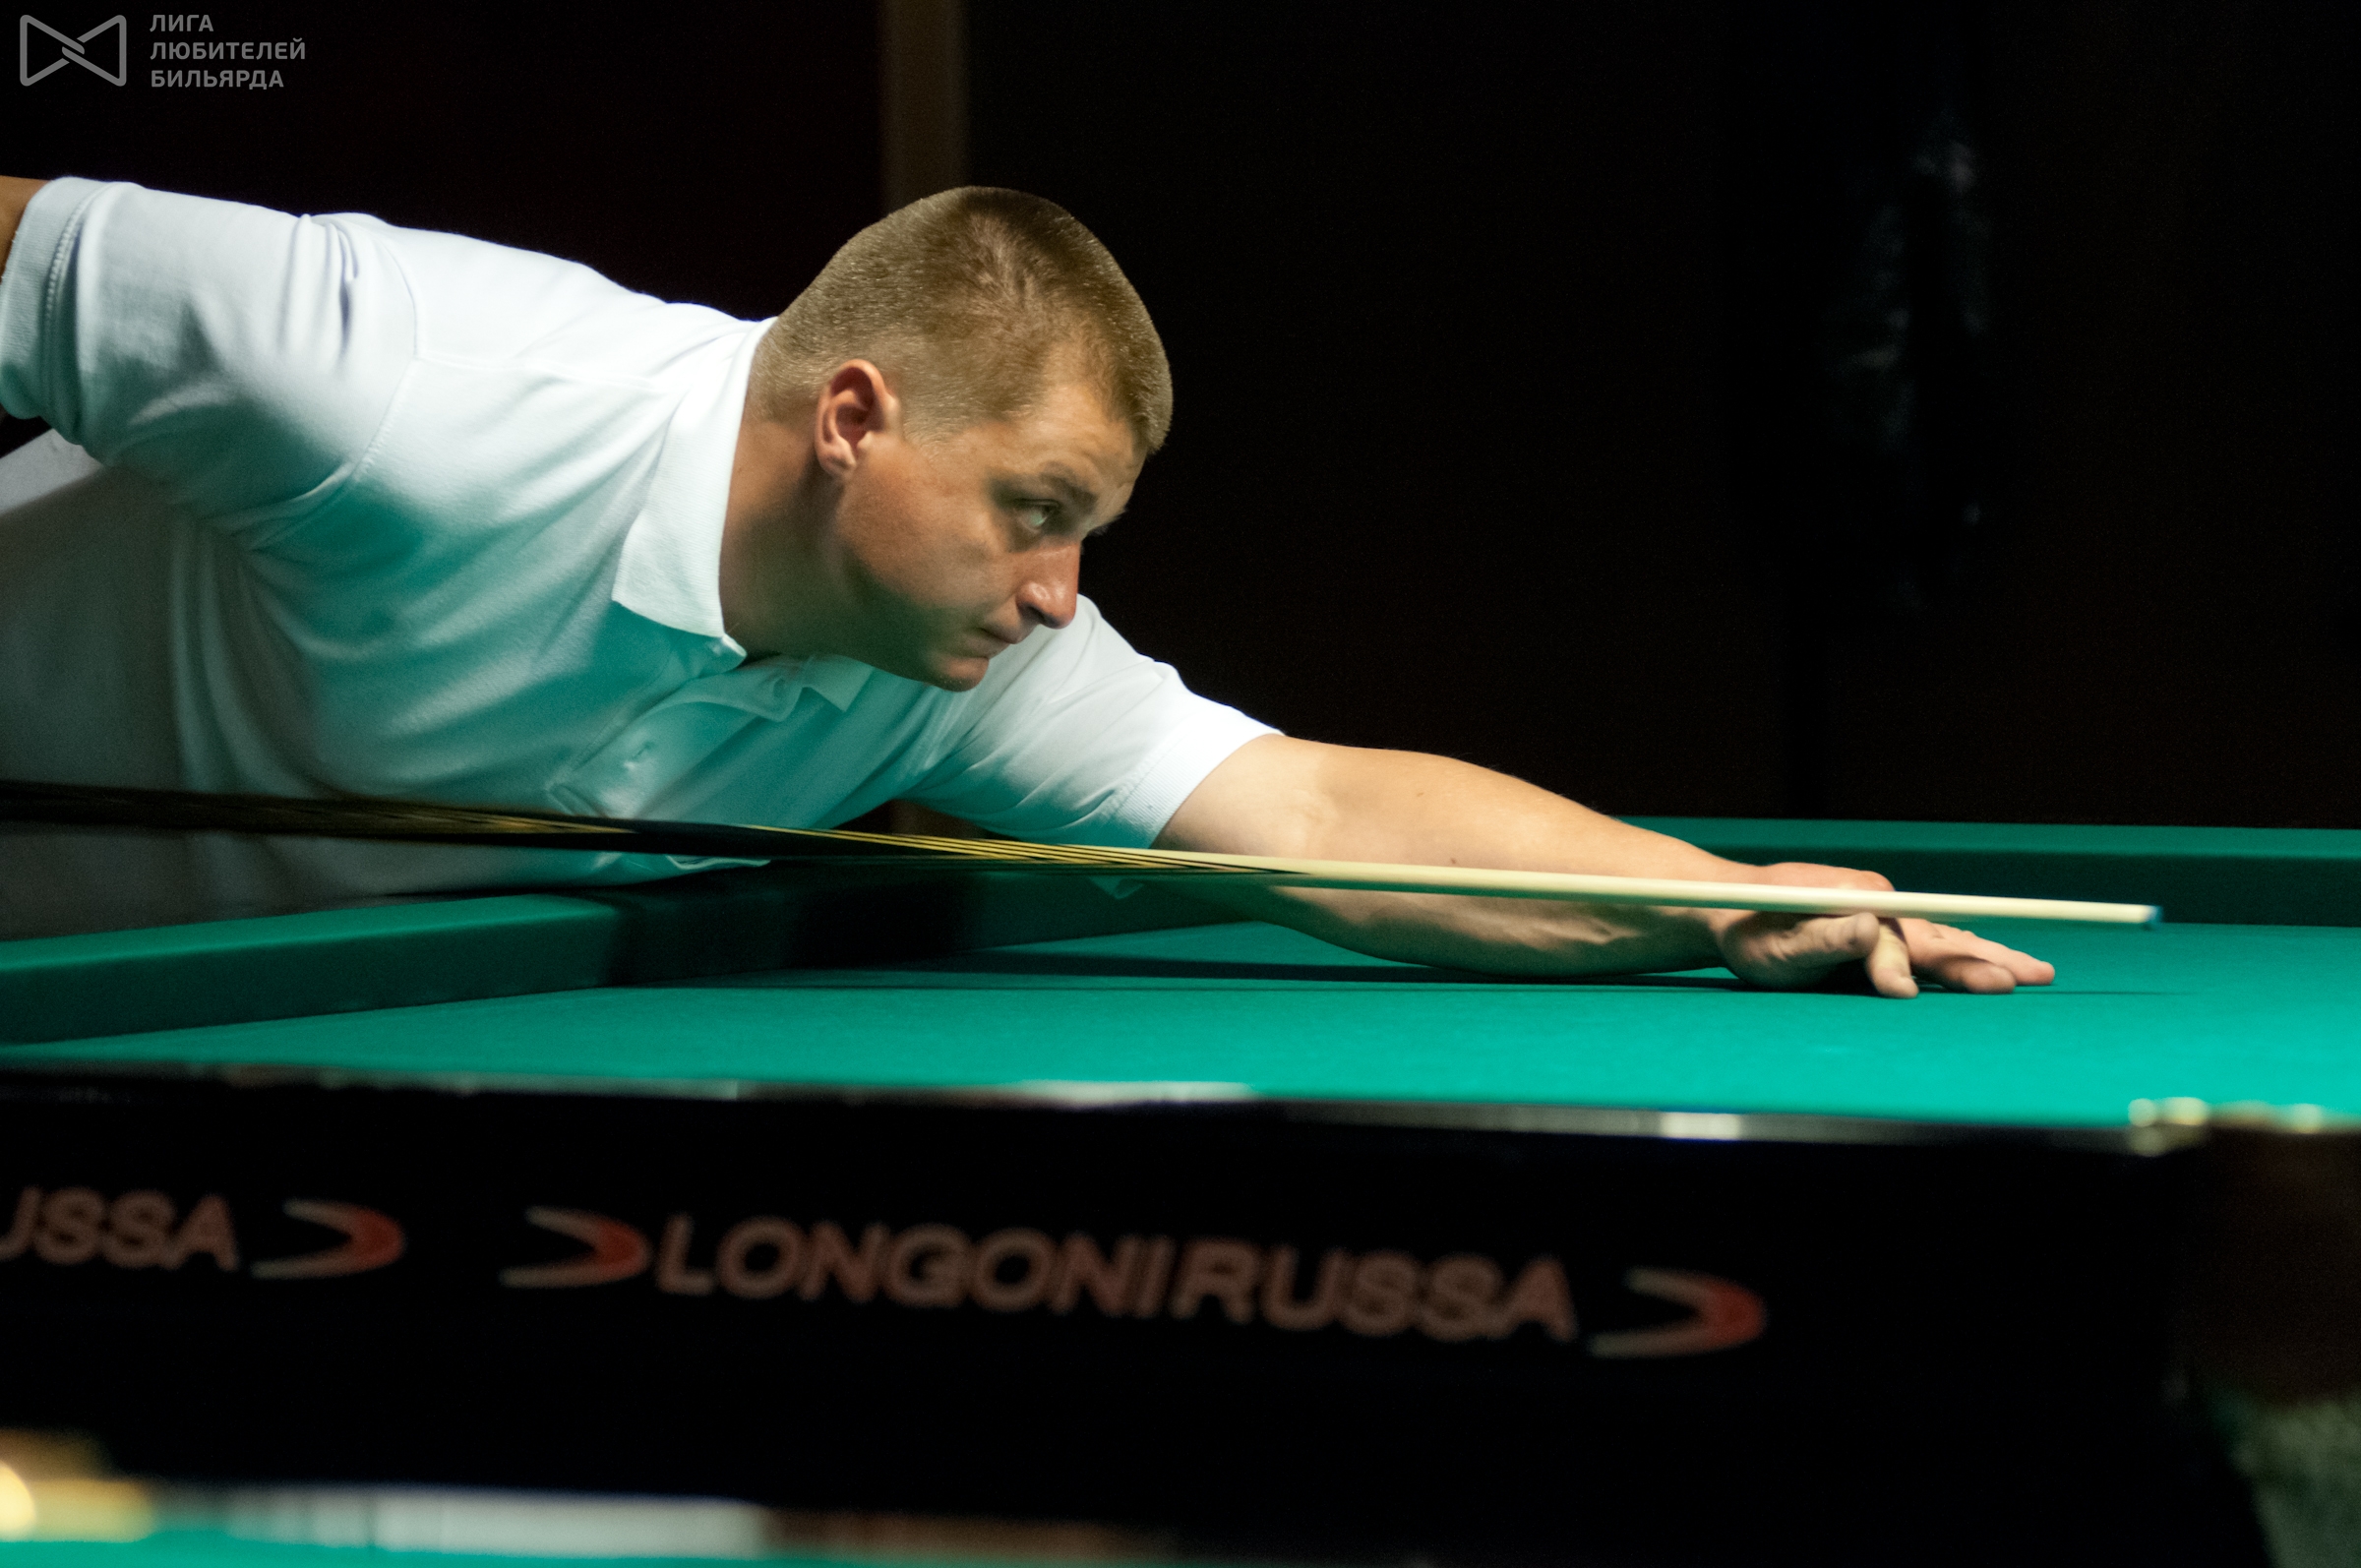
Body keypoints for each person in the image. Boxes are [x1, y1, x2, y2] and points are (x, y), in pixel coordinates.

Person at [0, 174, 2049, 997]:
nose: (1063, 592)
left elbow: (1316, 813)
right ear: (856, 417)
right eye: (1036, 510)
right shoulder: (409, 380)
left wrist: (1714, 902)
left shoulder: (952, 660)